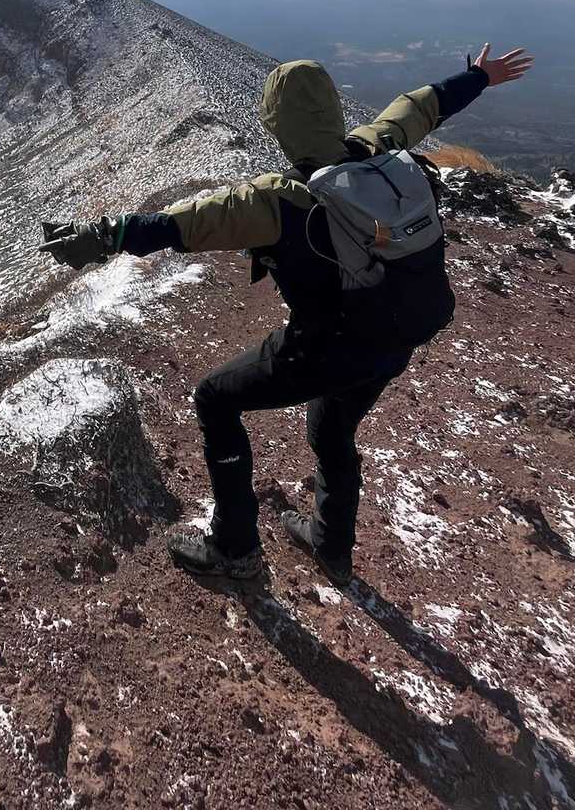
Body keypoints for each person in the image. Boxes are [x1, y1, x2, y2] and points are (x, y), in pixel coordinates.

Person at [39, 43, 533, 586]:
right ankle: (331, 544)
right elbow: (419, 107)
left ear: (279, 127)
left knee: (215, 400)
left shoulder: (278, 201)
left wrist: (106, 235)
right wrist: (479, 77)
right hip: (397, 336)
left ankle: (234, 547)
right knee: (333, 426)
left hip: (326, 346)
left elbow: (186, 222)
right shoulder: (377, 146)